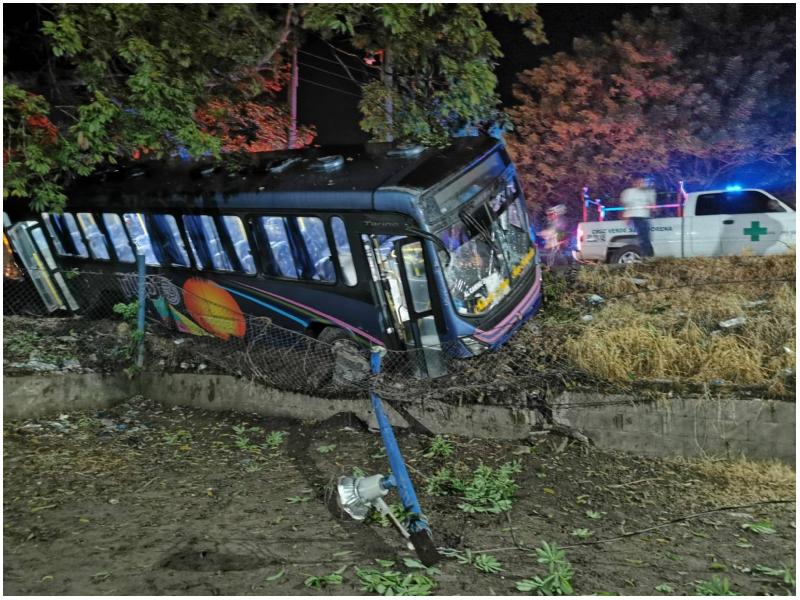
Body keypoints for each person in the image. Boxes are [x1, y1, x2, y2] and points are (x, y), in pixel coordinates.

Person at [620, 175, 655, 257]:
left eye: (643, 182)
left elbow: (653, 206)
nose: (641, 184)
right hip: (635, 217)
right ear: (634, 182)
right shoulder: (628, 192)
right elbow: (624, 206)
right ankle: (647, 256)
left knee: (645, 238)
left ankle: (648, 256)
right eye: (639, 182)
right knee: (643, 238)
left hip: (644, 217)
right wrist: (625, 217)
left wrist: (652, 208)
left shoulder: (648, 192)